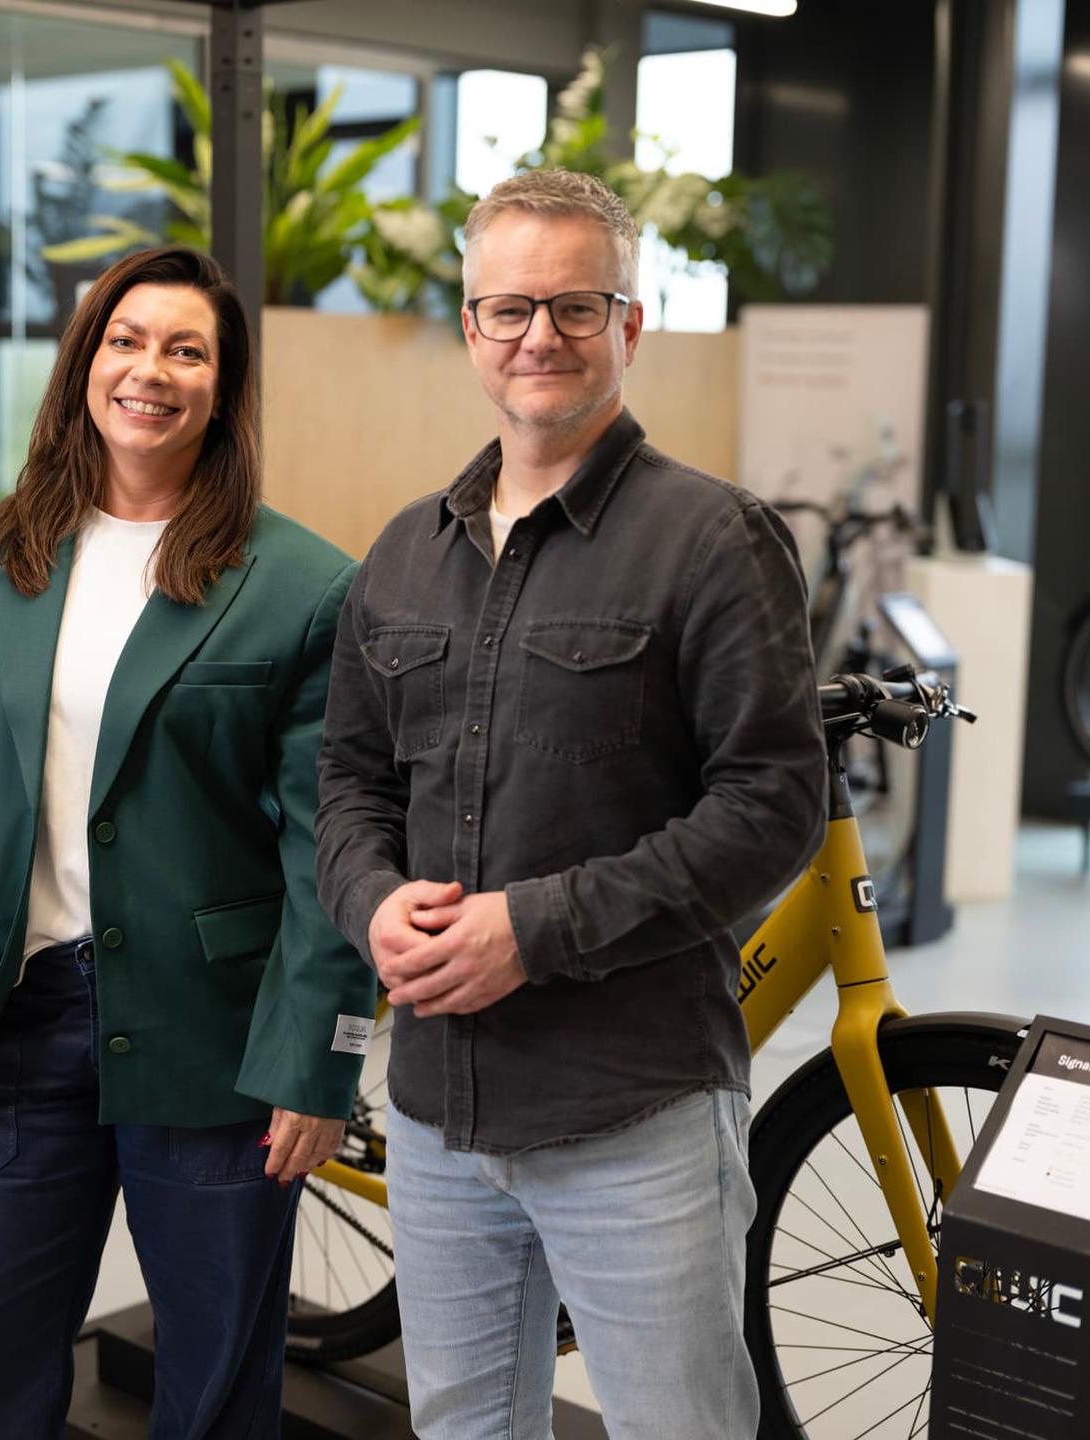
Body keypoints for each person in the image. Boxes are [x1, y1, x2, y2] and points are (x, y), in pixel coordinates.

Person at [315, 169, 827, 1439]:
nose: (539, 334)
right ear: (471, 329)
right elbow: (349, 782)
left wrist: (529, 932)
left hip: (632, 1112)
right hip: (439, 1111)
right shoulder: (402, 554)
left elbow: (771, 806)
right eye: (508, 308)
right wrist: (371, 904)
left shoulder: (715, 540)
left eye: (575, 306)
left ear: (630, 325)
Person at [0, 245, 373, 1439]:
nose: (149, 370)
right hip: (18, 1010)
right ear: (85, 361)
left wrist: (316, 1061)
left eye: (186, 349)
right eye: (126, 339)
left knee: (214, 1387)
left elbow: (338, 844)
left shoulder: (305, 584)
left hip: (218, 1042)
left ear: (223, 385)